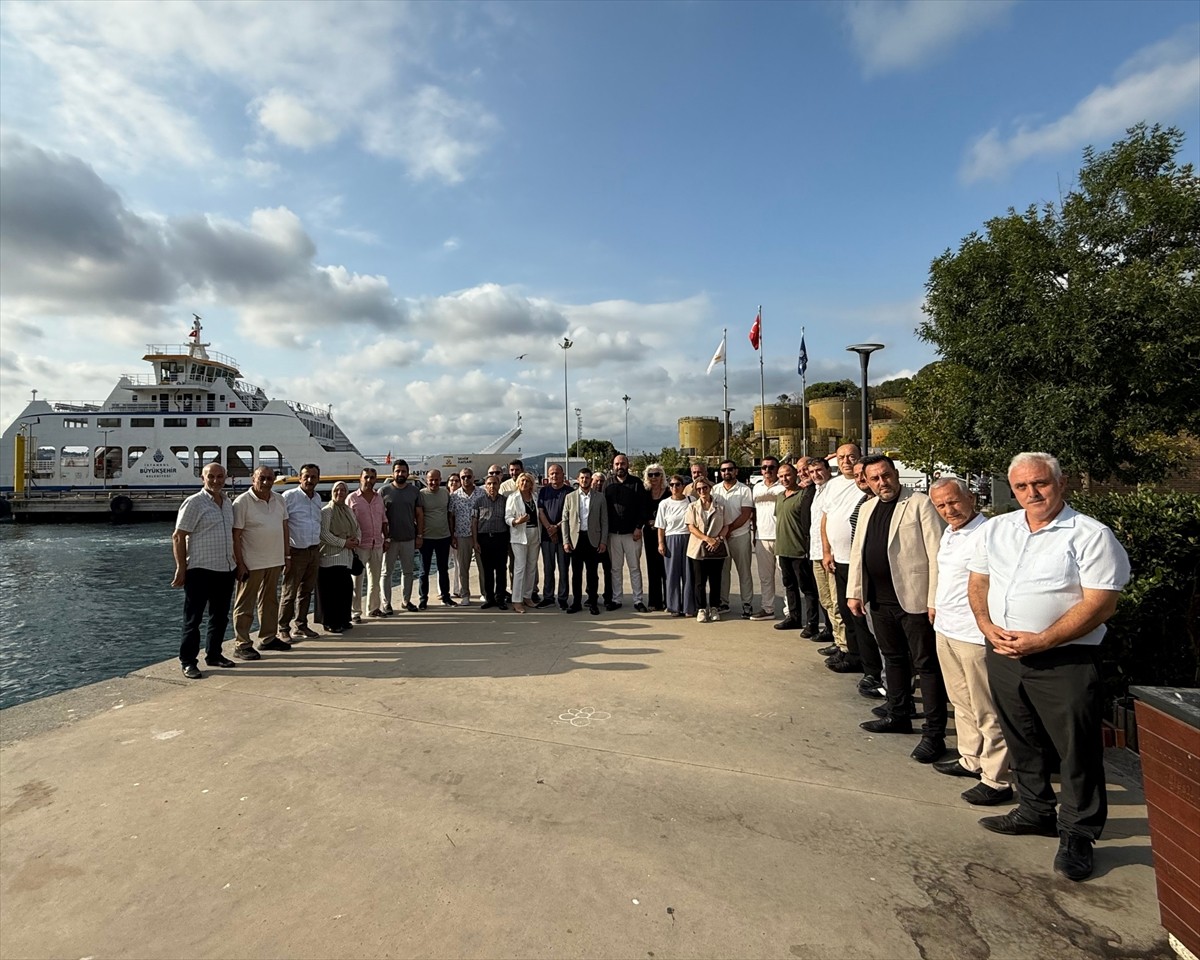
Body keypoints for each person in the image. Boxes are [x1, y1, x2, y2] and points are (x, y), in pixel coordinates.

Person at [968, 452, 1130, 882]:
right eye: (1022, 486)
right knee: (1021, 736)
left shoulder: (1091, 535)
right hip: (1004, 654)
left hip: (1064, 659)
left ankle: (1078, 832)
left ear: (1061, 483)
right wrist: (986, 626)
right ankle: (1035, 809)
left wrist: (1043, 639)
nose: (1031, 493)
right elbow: (979, 581)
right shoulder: (998, 528)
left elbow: (1101, 603)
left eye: (1039, 483)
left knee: (1075, 748)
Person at [847, 455, 948, 765]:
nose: (882, 482)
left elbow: (937, 552)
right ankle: (898, 714)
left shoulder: (919, 503)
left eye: (886, 475)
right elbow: (858, 553)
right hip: (879, 599)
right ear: (866, 480)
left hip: (914, 600)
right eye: (875, 478)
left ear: (896, 473)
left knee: (926, 665)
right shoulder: (866, 508)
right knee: (892, 659)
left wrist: (934, 599)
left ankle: (934, 734)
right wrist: (854, 592)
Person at [927, 477, 1011, 806]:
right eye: (942, 505)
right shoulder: (950, 533)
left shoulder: (989, 533)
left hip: (975, 635)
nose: (950, 510)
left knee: (986, 708)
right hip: (947, 629)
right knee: (961, 703)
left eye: (954, 502)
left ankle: (996, 778)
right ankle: (970, 758)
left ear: (971, 498)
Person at [171, 461, 238, 679]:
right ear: (203, 478)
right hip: (200, 570)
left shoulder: (227, 503)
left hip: (225, 568)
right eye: (211, 477)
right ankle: (188, 661)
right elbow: (178, 536)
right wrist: (181, 567)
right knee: (193, 619)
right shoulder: (194, 503)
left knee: (220, 617)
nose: (216, 481)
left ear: (225, 478)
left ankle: (214, 654)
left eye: (220, 477)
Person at [231, 465, 291, 660]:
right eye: (262, 478)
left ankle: (267, 637)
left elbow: (284, 528)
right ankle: (242, 643)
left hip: (274, 560)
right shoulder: (242, 502)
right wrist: (240, 563)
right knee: (245, 604)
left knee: (270, 601)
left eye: (269, 479)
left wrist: (286, 556)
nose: (266, 482)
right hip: (251, 562)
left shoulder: (279, 500)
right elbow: (236, 535)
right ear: (252, 479)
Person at [279, 464, 322, 641]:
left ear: (318, 479)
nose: (310, 480)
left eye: (313, 477)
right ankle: (283, 627)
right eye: (306, 476)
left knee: (306, 591)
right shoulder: (289, 497)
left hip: (314, 549)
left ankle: (301, 624)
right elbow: (282, 524)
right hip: (296, 551)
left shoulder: (317, 497)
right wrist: (286, 554)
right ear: (299, 478)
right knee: (289, 592)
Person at [562, 467, 609, 615]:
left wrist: (603, 541)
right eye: (582, 478)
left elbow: (604, 521)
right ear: (578, 479)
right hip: (576, 540)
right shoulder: (570, 497)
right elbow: (565, 520)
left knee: (592, 573)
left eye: (587, 478)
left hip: (593, 539)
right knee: (576, 574)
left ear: (591, 480)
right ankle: (576, 602)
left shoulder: (600, 497)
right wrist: (566, 541)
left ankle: (593, 603)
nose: (584, 480)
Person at [606, 453, 649, 612]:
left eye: (622, 463)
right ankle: (617, 599)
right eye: (617, 464)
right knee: (616, 569)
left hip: (633, 534)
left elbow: (643, 508)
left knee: (634, 567)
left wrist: (639, 527)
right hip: (613, 534)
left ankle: (638, 600)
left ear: (627, 465)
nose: (619, 467)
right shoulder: (608, 484)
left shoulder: (636, 483)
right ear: (613, 466)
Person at [712, 460, 755, 619]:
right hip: (721, 537)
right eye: (723, 470)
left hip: (740, 535)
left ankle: (747, 603)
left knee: (744, 571)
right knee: (723, 571)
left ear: (736, 471)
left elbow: (745, 514)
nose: (726, 472)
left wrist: (728, 530)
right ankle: (724, 602)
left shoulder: (744, 490)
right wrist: (720, 534)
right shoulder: (715, 490)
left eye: (730, 469)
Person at [318, 481, 361, 633]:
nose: (340, 493)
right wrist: (343, 543)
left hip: (346, 558)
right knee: (331, 593)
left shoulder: (348, 511)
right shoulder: (327, 511)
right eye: (337, 490)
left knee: (345, 590)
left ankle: (344, 618)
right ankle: (330, 622)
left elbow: (357, 528)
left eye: (343, 490)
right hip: (330, 558)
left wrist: (357, 541)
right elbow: (323, 534)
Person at [807, 457, 840, 649]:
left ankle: (844, 646)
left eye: (819, 470)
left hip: (830, 553)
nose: (815, 475)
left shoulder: (834, 488)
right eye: (812, 472)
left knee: (836, 602)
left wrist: (829, 552)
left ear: (828, 469)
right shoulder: (817, 491)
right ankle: (837, 639)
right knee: (826, 600)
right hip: (816, 552)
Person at [686, 476, 729, 623]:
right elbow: (691, 526)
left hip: (716, 547)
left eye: (705, 488)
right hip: (698, 548)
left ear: (710, 488)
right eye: (699, 489)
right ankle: (701, 609)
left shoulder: (720, 506)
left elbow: (726, 525)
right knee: (699, 581)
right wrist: (707, 539)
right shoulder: (692, 507)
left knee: (716, 580)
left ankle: (715, 607)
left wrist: (717, 540)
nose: (702, 491)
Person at [380, 459, 421, 614]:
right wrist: (384, 537)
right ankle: (386, 603)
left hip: (409, 538)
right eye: (397, 471)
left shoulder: (414, 491)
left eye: (403, 471)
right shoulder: (383, 491)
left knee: (408, 572)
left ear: (408, 473)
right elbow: (379, 516)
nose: (400, 474)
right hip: (390, 540)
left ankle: (406, 601)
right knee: (386, 572)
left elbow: (419, 514)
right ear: (393, 473)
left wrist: (420, 535)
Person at [347, 467, 386, 621]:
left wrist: (386, 539)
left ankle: (374, 608)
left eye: (372, 477)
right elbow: (347, 522)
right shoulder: (352, 498)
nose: (369, 480)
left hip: (377, 543)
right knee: (357, 581)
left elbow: (384, 519)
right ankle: (355, 612)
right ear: (360, 479)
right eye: (366, 477)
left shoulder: (379, 498)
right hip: (359, 546)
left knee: (375, 580)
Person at [750, 456, 786, 620]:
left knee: (785, 577)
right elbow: (754, 514)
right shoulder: (756, 488)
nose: (767, 470)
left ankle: (790, 611)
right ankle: (768, 609)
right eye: (764, 467)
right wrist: (754, 534)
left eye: (771, 467)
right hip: (761, 537)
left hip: (781, 537)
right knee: (765, 577)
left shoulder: (783, 487)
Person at [655, 473, 694, 618]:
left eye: (677, 484)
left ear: (683, 486)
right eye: (671, 485)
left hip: (688, 537)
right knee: (672, 573)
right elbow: (661, 526)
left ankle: (688, 606)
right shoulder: (664, 504)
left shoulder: (691, 500)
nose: (675, 487)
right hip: (671, 539)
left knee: (688, 573)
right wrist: (661, 543)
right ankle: (674, 606)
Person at [417, 469, 455, 608]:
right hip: (426, 538)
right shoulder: (421, 494)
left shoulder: (445, 493)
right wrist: (419, 536)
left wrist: (452, 535)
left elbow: (449, 515)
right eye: (431, 480)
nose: (433, 482)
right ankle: (423, 599)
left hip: (444, 537)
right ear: (426, 480)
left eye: (436, 479)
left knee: (443, 568)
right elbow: (418, 515)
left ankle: (446, 597)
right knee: (423, 570)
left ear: (440, 479)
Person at [474, 472, 510, 610]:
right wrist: (475, 541)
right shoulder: (479, 502)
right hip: (484, 538)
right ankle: (489, 598)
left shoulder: (505, 501)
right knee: (487, 571)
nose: (492, 486)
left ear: (499, 485)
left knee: (501, 570)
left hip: (501, 538)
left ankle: (500, 598)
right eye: (489, 484)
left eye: (495, 483)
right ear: (485, 486)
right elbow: (474, 522)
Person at [506, 471, 541, 613]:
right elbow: (507, 517)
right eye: (522, 481)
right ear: (518, 483)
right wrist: (516, 521)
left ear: (531, 484)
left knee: (532, 566)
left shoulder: (535, 497)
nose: (524, 484)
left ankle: (527, 595)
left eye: (527, 481)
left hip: (535, 534)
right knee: (520, 567)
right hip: (520, 535)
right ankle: (517, 600)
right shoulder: (513, 498)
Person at [537, 464, 571, 610]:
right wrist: (549, 529)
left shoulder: (569, 492)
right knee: (548, 568)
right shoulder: (543, 491)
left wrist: (557, 528)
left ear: (563, 475)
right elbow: (540, 511)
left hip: (564, 537)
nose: (554, 476)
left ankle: (563, 597)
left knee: (563, 568)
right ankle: (548, 597)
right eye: (551, 474)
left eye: (557, 473)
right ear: (548, 476)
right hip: (547, 537)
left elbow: (570, 514)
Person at [450, 468, 485, 605]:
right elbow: (451, 516)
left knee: (483, 566)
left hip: (480, 535)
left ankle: (485, 592)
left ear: (474, 477)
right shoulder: (454, 496)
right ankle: (465, 594)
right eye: (463, 477)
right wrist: (452, 535)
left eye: (468, 477)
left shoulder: (482, 493)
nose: (466, 479)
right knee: (463, 567)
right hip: (461, 534)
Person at [643, 463, 671, 611]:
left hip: (666, 533)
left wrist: (660, 522)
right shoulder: (645, 493)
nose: (654, 478)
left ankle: (669, 601)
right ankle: (654, 601)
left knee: (665, 568)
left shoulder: (668, 493)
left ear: (662, 476)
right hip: (649, 533)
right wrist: (648, 521)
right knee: (652, 568)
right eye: (650, 475)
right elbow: (641, 511)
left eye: (657, 474)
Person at [592, 471, 615, 609]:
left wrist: (604, 540)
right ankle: (592, 596)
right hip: (592, 539)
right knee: (592, 570)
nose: (599, 484)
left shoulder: (608, 497)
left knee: (608, 569)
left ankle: (608, 596)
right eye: (596, 481)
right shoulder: (589, 498)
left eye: (602, 481)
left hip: (607, 539)